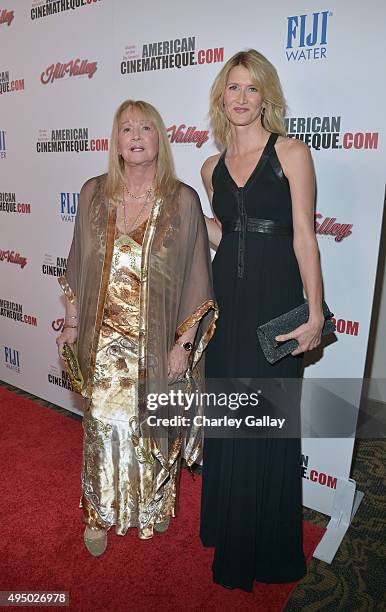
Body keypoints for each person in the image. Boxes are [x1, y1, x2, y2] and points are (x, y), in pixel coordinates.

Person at [56, 99, 218, 556]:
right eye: (126, 128)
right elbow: (76, 266)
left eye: (145, 127)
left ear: (159, 138)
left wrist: (183, 344)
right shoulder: (92, 195)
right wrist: (70, 324)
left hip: (155, 341)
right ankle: (98, 512)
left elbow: (196, 278)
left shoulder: (182, 201)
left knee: (150, 430)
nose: (136, 136)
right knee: (102, 427)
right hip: (103, 342)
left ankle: (150, 507)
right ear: (116, 141)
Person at [199, 50, 324, 591]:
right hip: (227, 302)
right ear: (220, 97)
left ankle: (266, 547)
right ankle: (228, 528)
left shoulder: (292, 153)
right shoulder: (209, 167)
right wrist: (179, 219)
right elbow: (230, 234)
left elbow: (304, 237)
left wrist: (315, 311)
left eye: (252, 88)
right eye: (233, 88)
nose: (242, 98)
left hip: (275, 302)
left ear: (265, 96)